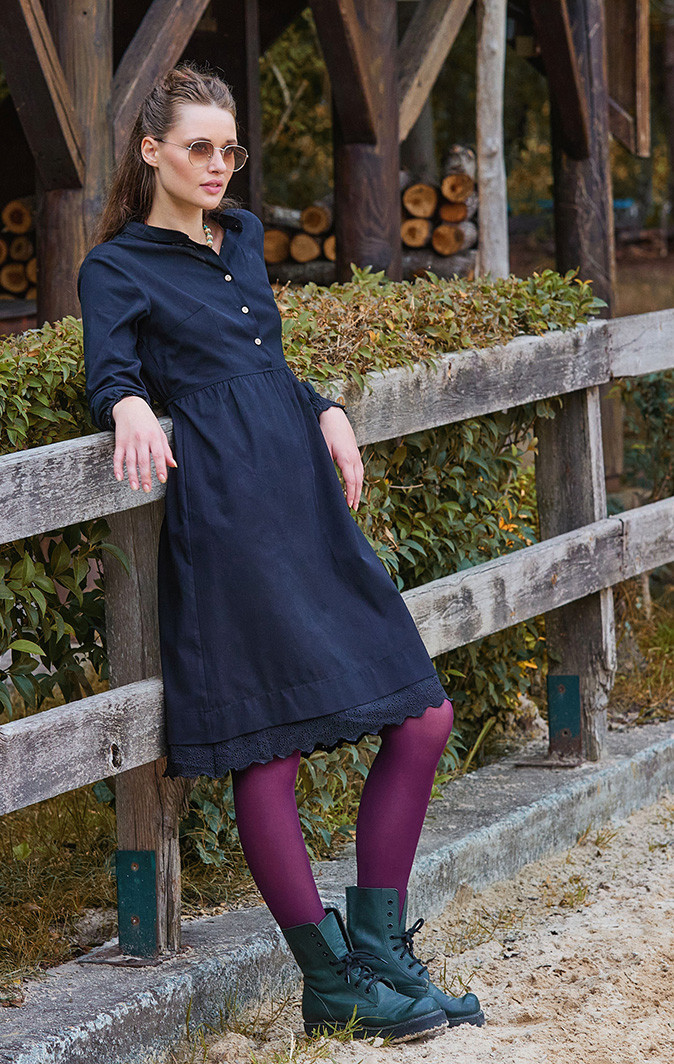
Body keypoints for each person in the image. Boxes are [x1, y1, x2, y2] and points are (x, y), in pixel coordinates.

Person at [78, 61, 484, 1042]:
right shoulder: (116, 267)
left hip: (302, 500)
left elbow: (262, 359)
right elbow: (111, 371)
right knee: (270, 746)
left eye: (229, 149)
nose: (217, 165)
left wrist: (325, 407)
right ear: (151, 152)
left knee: (422, 715)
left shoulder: (245, 238)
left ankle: (380, 955)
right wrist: (126, 404)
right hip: (227, 517)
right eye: (197, 148)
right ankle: (332, 981)